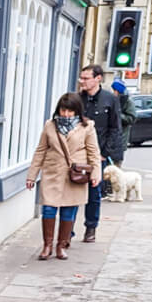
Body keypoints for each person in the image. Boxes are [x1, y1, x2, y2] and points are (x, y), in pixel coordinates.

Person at [26, 92, 102, 260]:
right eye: (63, 110)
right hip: (53, 172)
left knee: (68, 212)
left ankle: (62, 245)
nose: (66, 114)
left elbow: (93, 152)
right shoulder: (50, 125)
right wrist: (32, 175)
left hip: (74, 175)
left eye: (70, 111)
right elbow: (40, 150)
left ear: (77, 111)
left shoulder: (87, 126)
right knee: (48, 209)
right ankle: (47, 246)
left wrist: (96, 173)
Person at [78, 64, 124, 242]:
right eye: (81, 78)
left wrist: (105, 153)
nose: (82, 81)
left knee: (94, 193)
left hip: (98, 155)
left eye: (86, 78)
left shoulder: (109, 99)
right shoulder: (77, 99)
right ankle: (68, 231)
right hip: (77, 153)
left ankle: (91, 228)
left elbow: (115, 128)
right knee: (73, 192)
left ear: (98, 78)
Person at [111, 78, 136, 154]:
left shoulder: (128, 102)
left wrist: (118, 115)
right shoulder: (113, 100)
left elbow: (131, 119)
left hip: (120, 140)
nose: (113, 92)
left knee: (116, 164)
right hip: (110, 141)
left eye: (114, 90)